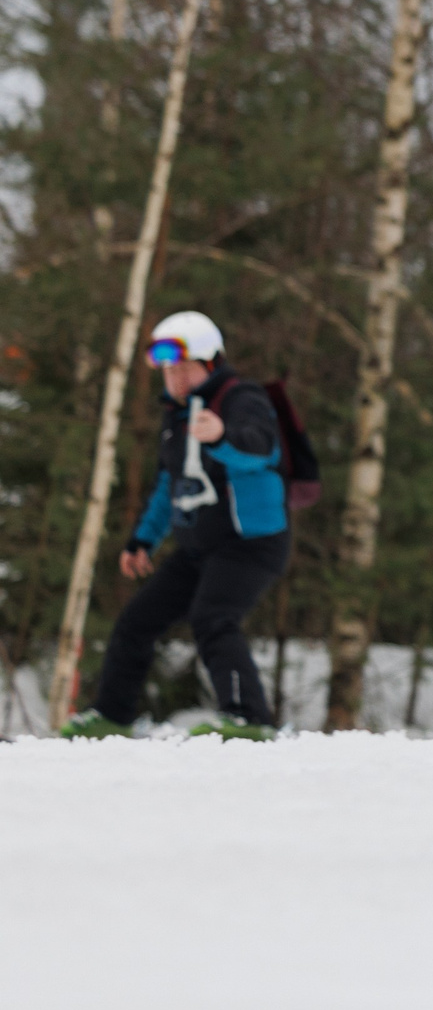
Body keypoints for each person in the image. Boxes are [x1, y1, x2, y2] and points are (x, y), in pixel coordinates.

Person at [60, 311, 290, 739]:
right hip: (199, 548)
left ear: (210, 364)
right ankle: (112, 717)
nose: (175, 378)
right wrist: (142, 540)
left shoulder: (242, 399)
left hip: (250, 543)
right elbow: (170, 485)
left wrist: (222, 436)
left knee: (213, 617)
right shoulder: (177, 417)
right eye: (168, 369)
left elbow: (262, 450)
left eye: (184, 367)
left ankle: (249, 720)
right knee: (136, 620)